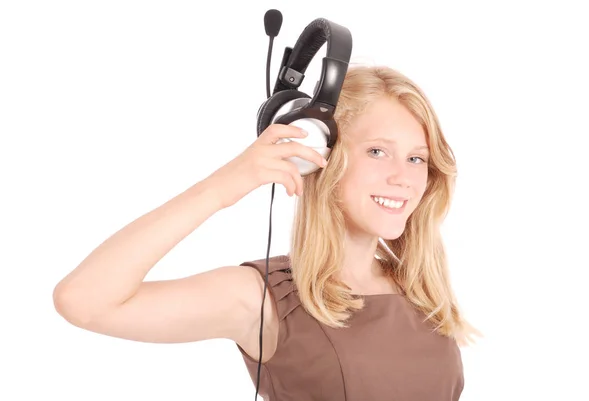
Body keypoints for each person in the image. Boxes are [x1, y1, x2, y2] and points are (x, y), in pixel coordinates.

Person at [53, 64, 479, 400]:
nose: (402, 177)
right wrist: (223, 187)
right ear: (316, 156)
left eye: (417, 159)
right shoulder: (265, 300)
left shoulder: (419, 288)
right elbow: (84, 301)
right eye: (377, 151)